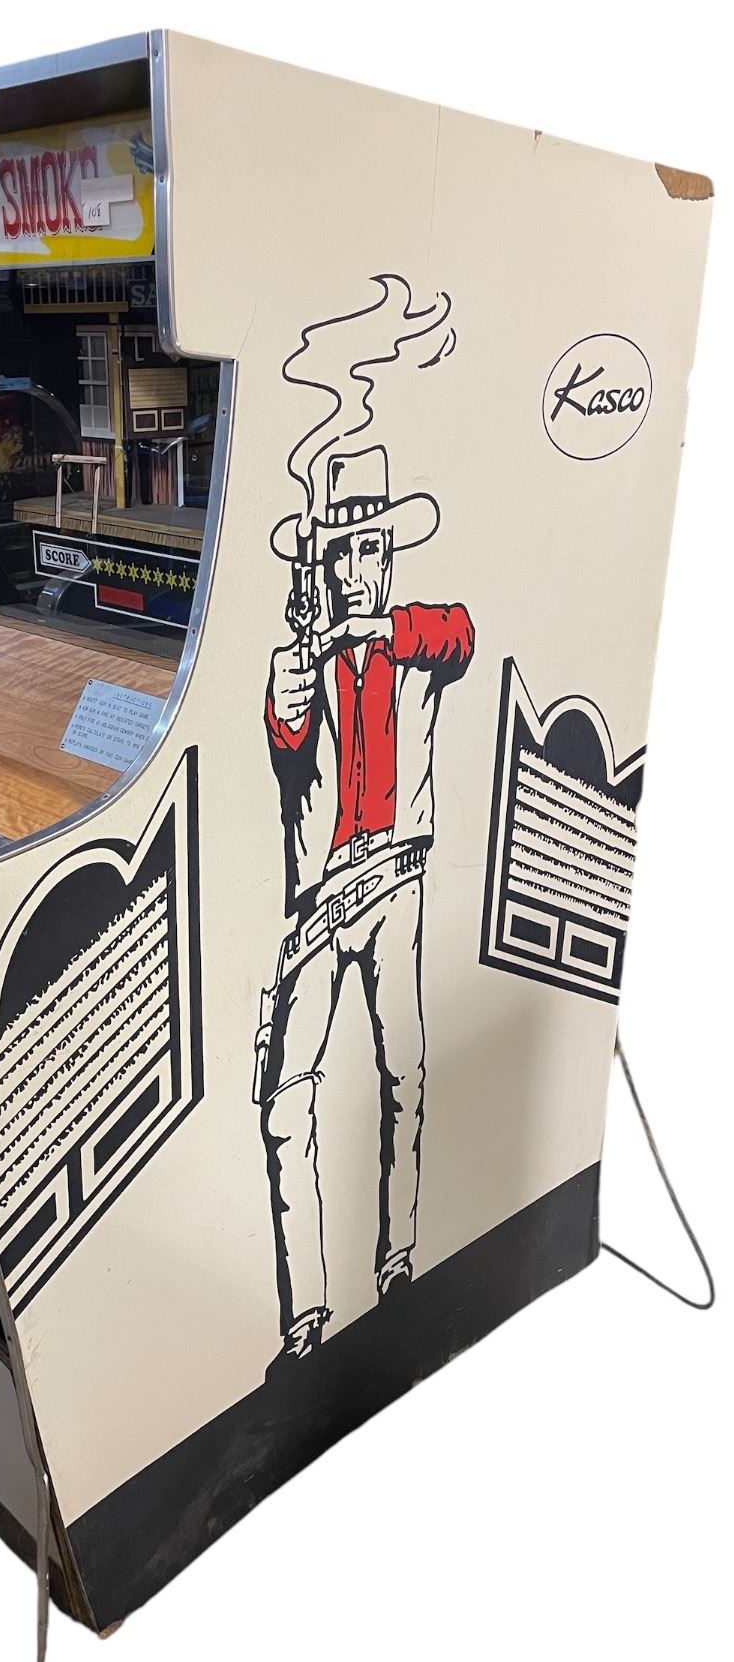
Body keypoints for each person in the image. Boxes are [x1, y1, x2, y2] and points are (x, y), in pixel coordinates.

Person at [258, 444, 474, 1372]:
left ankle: (399, 1263)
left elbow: (460, 633)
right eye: (338, 553)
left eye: (368, 549)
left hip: (396, 881)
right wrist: (307, 655)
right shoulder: (295, 662)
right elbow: (286, 733)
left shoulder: (413, 640)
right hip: (321, 900)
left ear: (388, 555)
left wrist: (379, 628)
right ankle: (307, 1315)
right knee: (286, 1107)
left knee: (406, 1075)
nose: (353, 568)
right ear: (318, 563)